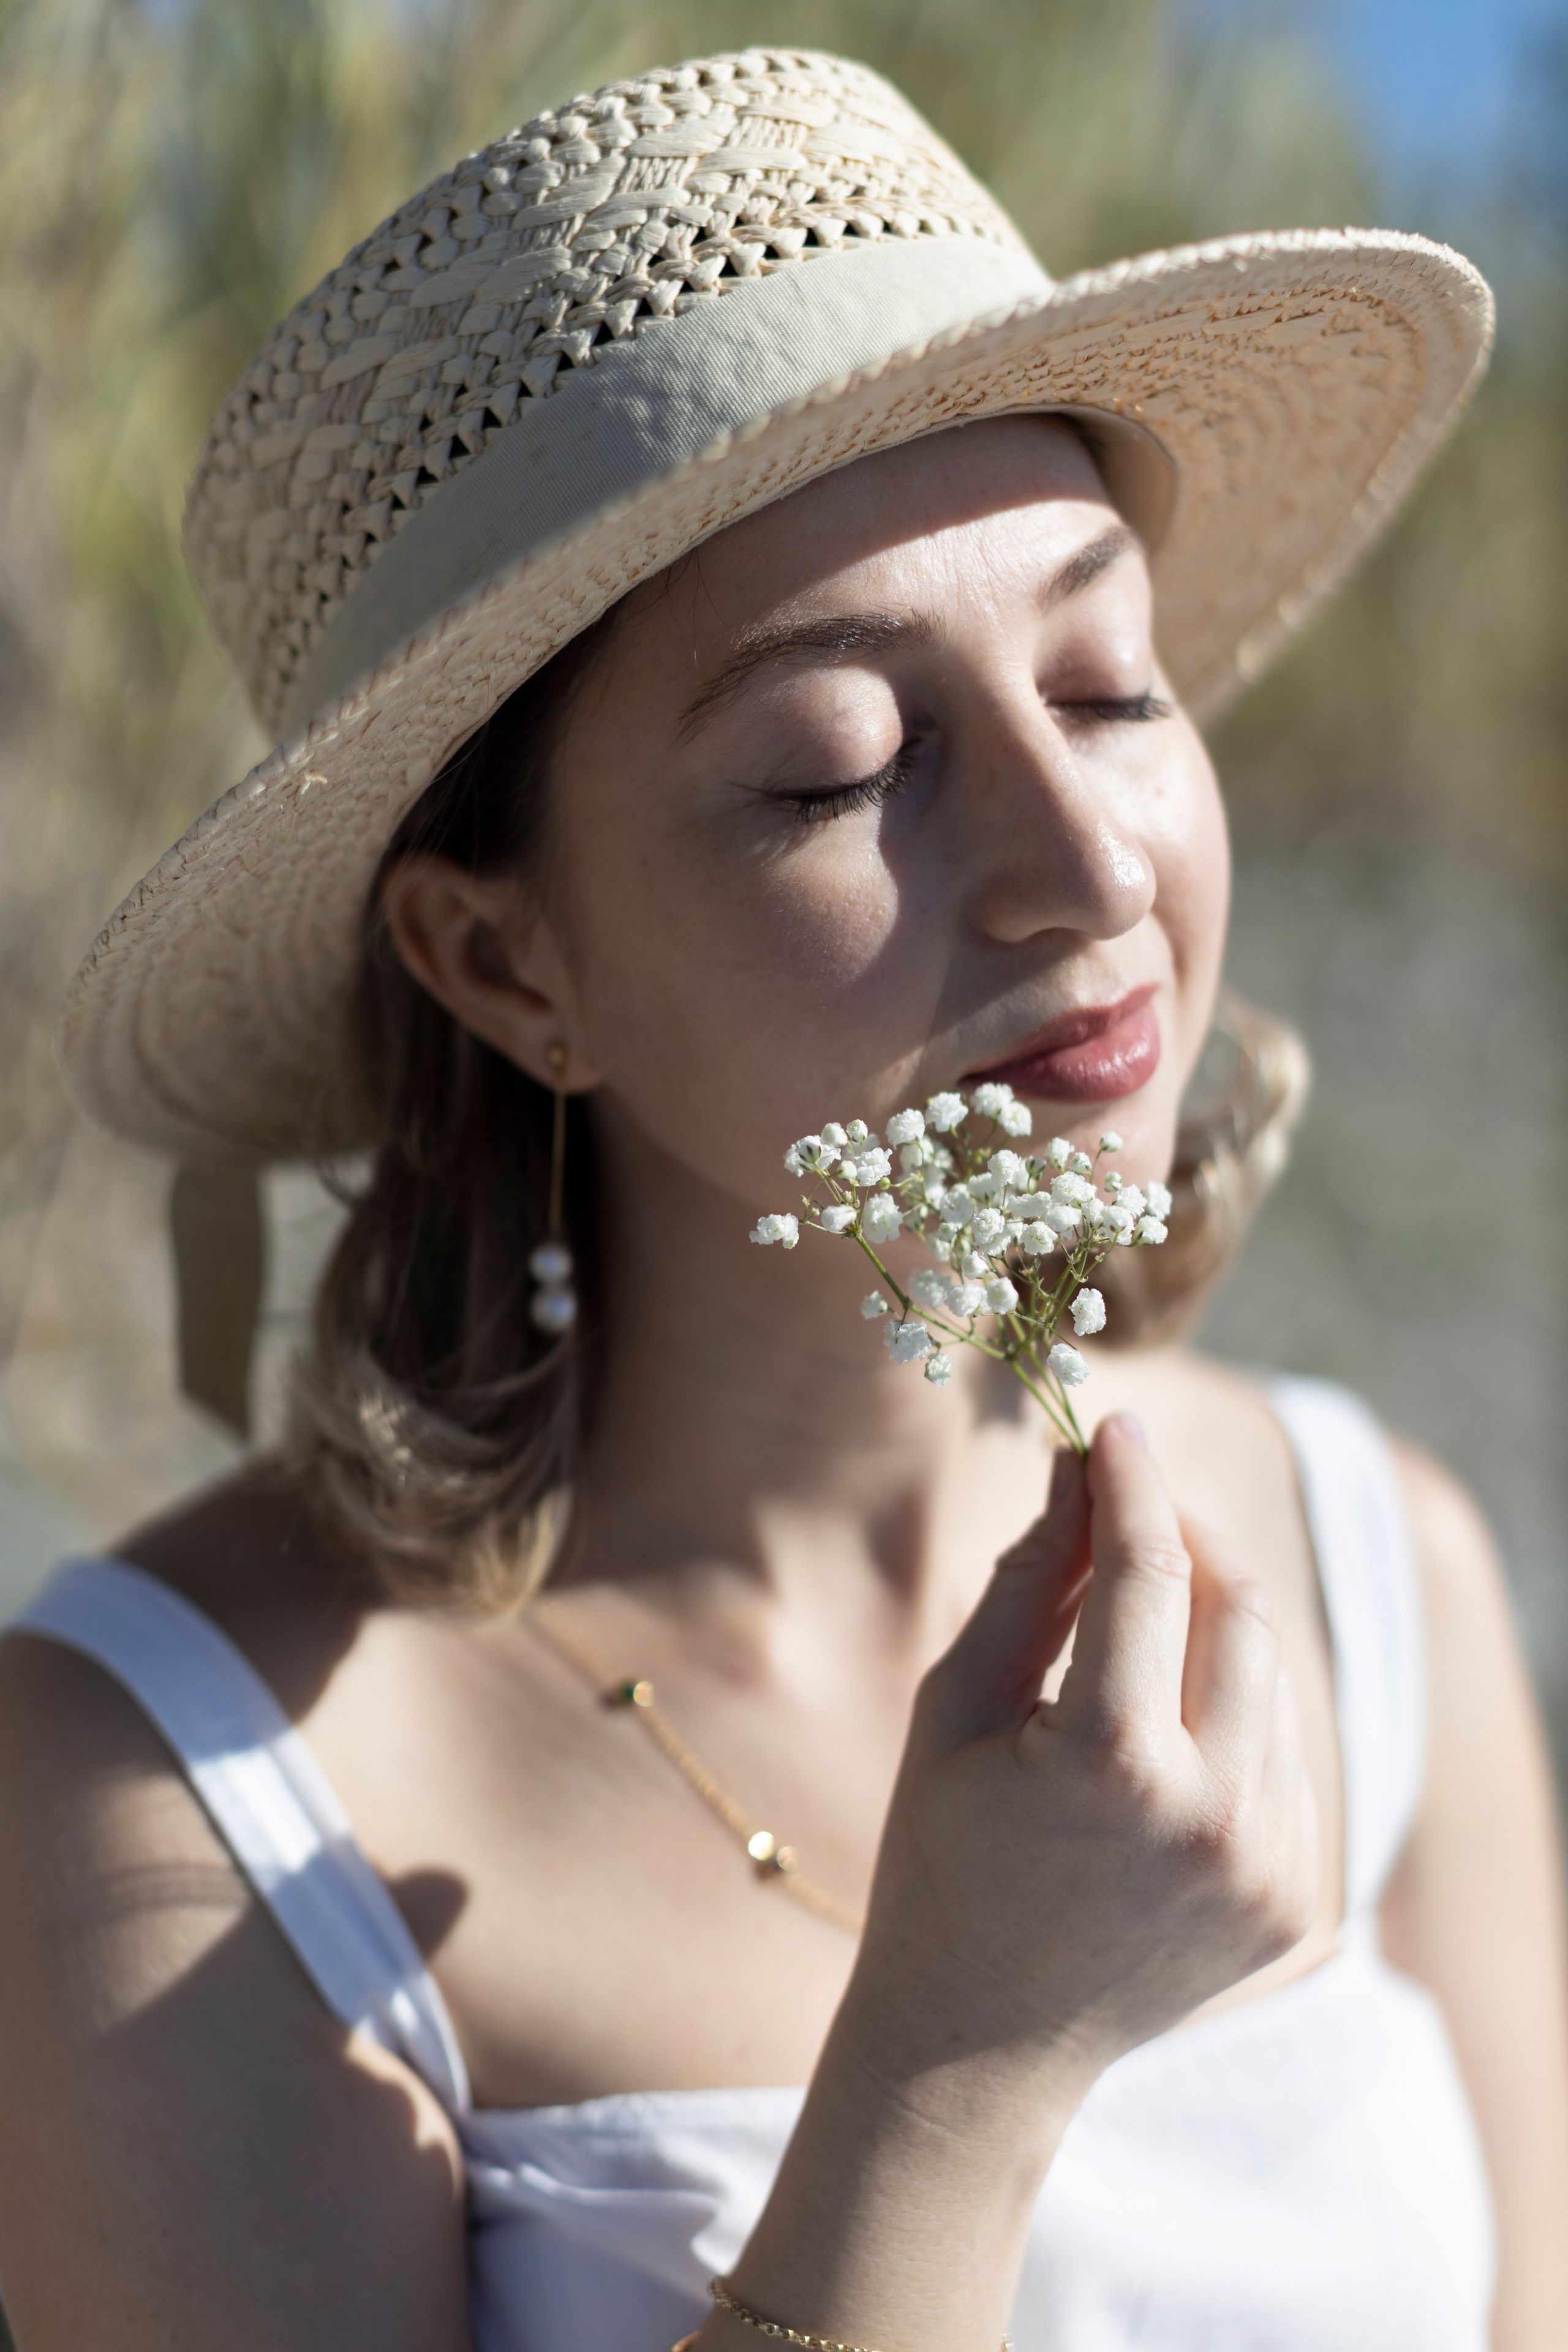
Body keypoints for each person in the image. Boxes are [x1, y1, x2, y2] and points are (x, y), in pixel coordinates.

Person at [0, 43, 1562, 2352]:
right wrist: (955, 2071)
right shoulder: (172, 1799)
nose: (1087, 863)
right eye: (846, 765)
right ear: (507, 959)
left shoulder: (1380, 1563)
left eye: (1112, 681)